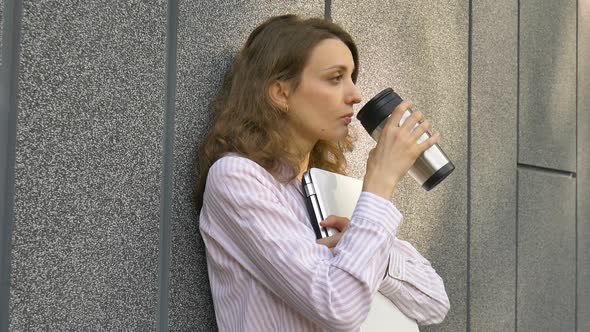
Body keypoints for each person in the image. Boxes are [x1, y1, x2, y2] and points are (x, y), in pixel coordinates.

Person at [195, 14, 450, 332]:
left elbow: (434, 303)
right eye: (335, 78)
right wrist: (382, 180)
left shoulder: (328, 189)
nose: (355, 94)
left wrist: (370, 256)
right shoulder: (237, 179)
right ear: (281, 93)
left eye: (353, 77)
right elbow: (338, 306)